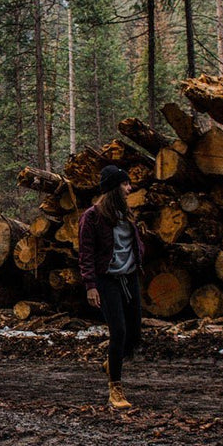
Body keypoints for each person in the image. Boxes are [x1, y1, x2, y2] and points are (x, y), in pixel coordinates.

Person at [78, 164, 144, 410]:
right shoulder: (92, 217)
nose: (130, 188)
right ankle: (115, 388)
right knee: (118, 332)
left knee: (134, 335)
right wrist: (90, 285)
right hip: (107, 281)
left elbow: (134, 244)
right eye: (125, 184)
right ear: (114, 188)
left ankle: (111, 362)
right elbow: (85, 254)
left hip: (129, 278)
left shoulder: (126, 214)